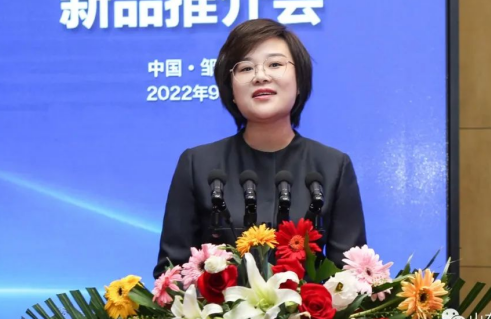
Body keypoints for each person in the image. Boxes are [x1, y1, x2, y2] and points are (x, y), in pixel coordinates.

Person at [153, 18, 366, 278]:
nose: (261, 76)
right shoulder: (197, 164)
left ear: (300, 81)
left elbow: (353, 277)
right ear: (230, 89)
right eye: (245, 68)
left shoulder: (333, 166)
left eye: (275, 64)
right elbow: (171, 274)